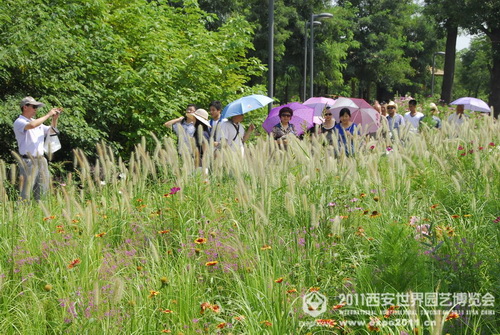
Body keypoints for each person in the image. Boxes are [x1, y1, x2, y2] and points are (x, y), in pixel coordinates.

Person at [13, 96, 62, 200]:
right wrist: (48, 115)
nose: (36, 109)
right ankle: (23, 212)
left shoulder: (37, 122)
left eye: (36, 107)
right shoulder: (19, 121)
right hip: (28, 161)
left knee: (42, 191)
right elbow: (31, 125)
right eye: (34, 106)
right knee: (25, 192)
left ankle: (39, 212)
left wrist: (54, 119)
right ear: (25, 107)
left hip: (41, 160)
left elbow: (51, 131)